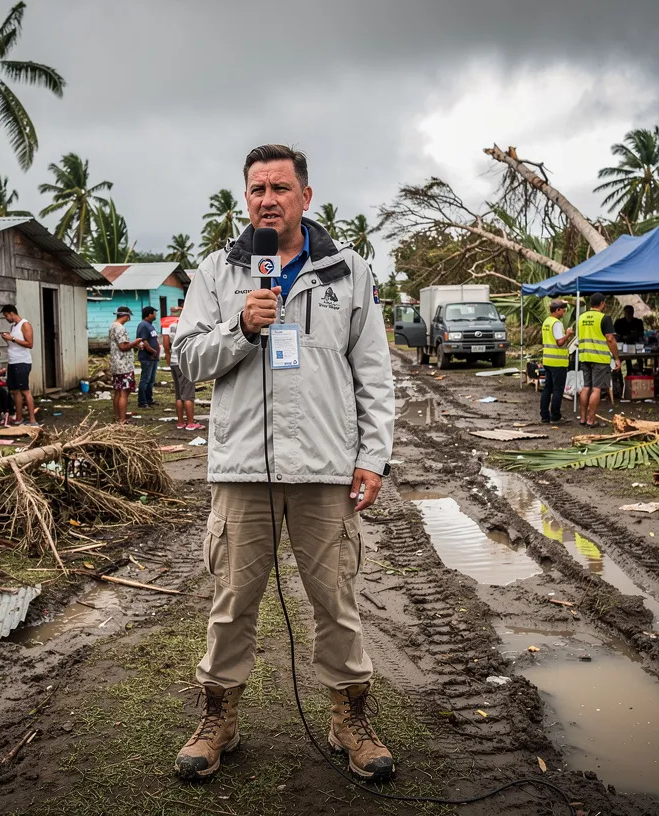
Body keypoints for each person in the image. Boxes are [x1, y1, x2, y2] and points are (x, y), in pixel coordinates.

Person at [173, 144, 395, 783]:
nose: (266, 199)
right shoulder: (219, 270)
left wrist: (373, 457)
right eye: (256, 190)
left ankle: (348, 718)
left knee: (336, 599)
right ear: (246, 199)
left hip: (326, 470)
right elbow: (186, 359)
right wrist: (240, 327)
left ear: (306, 195)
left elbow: (373, 375)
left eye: (278, 188)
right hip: (243, 468)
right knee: (232, 599)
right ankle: (218, 719)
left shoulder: (348, 271)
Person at [576, 292, 621, 428]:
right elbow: (610, 339)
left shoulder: (581, 317)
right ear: (602, 303)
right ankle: (591, 420)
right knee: (596, 389)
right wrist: (616, 358)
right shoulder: (604, 318)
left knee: (586, 387)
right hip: (599, 358)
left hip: (584, 357)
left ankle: (583, 418)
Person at [161, 312, 202, 431]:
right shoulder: (189, 323)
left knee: (179, 394)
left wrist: (169, 358)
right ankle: (190, 423)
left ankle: (180, 422)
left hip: (174, 361)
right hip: (186, 362)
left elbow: (165, 344)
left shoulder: (167, 324)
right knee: (188, 394)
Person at [0, 304, 37, 425]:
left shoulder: (25, 324)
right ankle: (19, 418)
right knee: (15, 390)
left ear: (12, 313)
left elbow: (29, 344)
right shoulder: (13, 327)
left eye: (6, 315)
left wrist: (13, 339)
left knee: (25, 391)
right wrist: (8, 339)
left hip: (22, 362)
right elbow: (13, 344)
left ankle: (32, 420)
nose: (6, 318)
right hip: (12, 361)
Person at [540, 300, 575, 423]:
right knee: (557, 390)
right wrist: (568, 334)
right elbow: (559, 342)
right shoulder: (557, 323)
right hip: (558, 361)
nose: (564, 313)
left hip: (548, 359)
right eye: (563, 310)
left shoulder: (546, 322)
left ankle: (544, 415)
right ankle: (555, 416)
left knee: (547, 389)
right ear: (557, 310)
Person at [108, 305, 142, 423]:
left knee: (118, 391)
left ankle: (118, 416)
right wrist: (136, 342)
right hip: (124, 364)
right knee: (124, 392)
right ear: (126, 316)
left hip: (116, 363)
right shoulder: (120, 328)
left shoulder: (113, 326)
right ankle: (122, 419)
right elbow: (123, 346)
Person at [136, 306, 162, 409]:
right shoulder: (143, 325)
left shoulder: (150, 325)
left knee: (151, 380)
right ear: (149, 314)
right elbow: (144, 341)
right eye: (154, 313)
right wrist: (152, 351)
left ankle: (149, 399)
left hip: (153, 357)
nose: (155, 315)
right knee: (145, 379)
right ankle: (142, 401)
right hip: (147, 357)